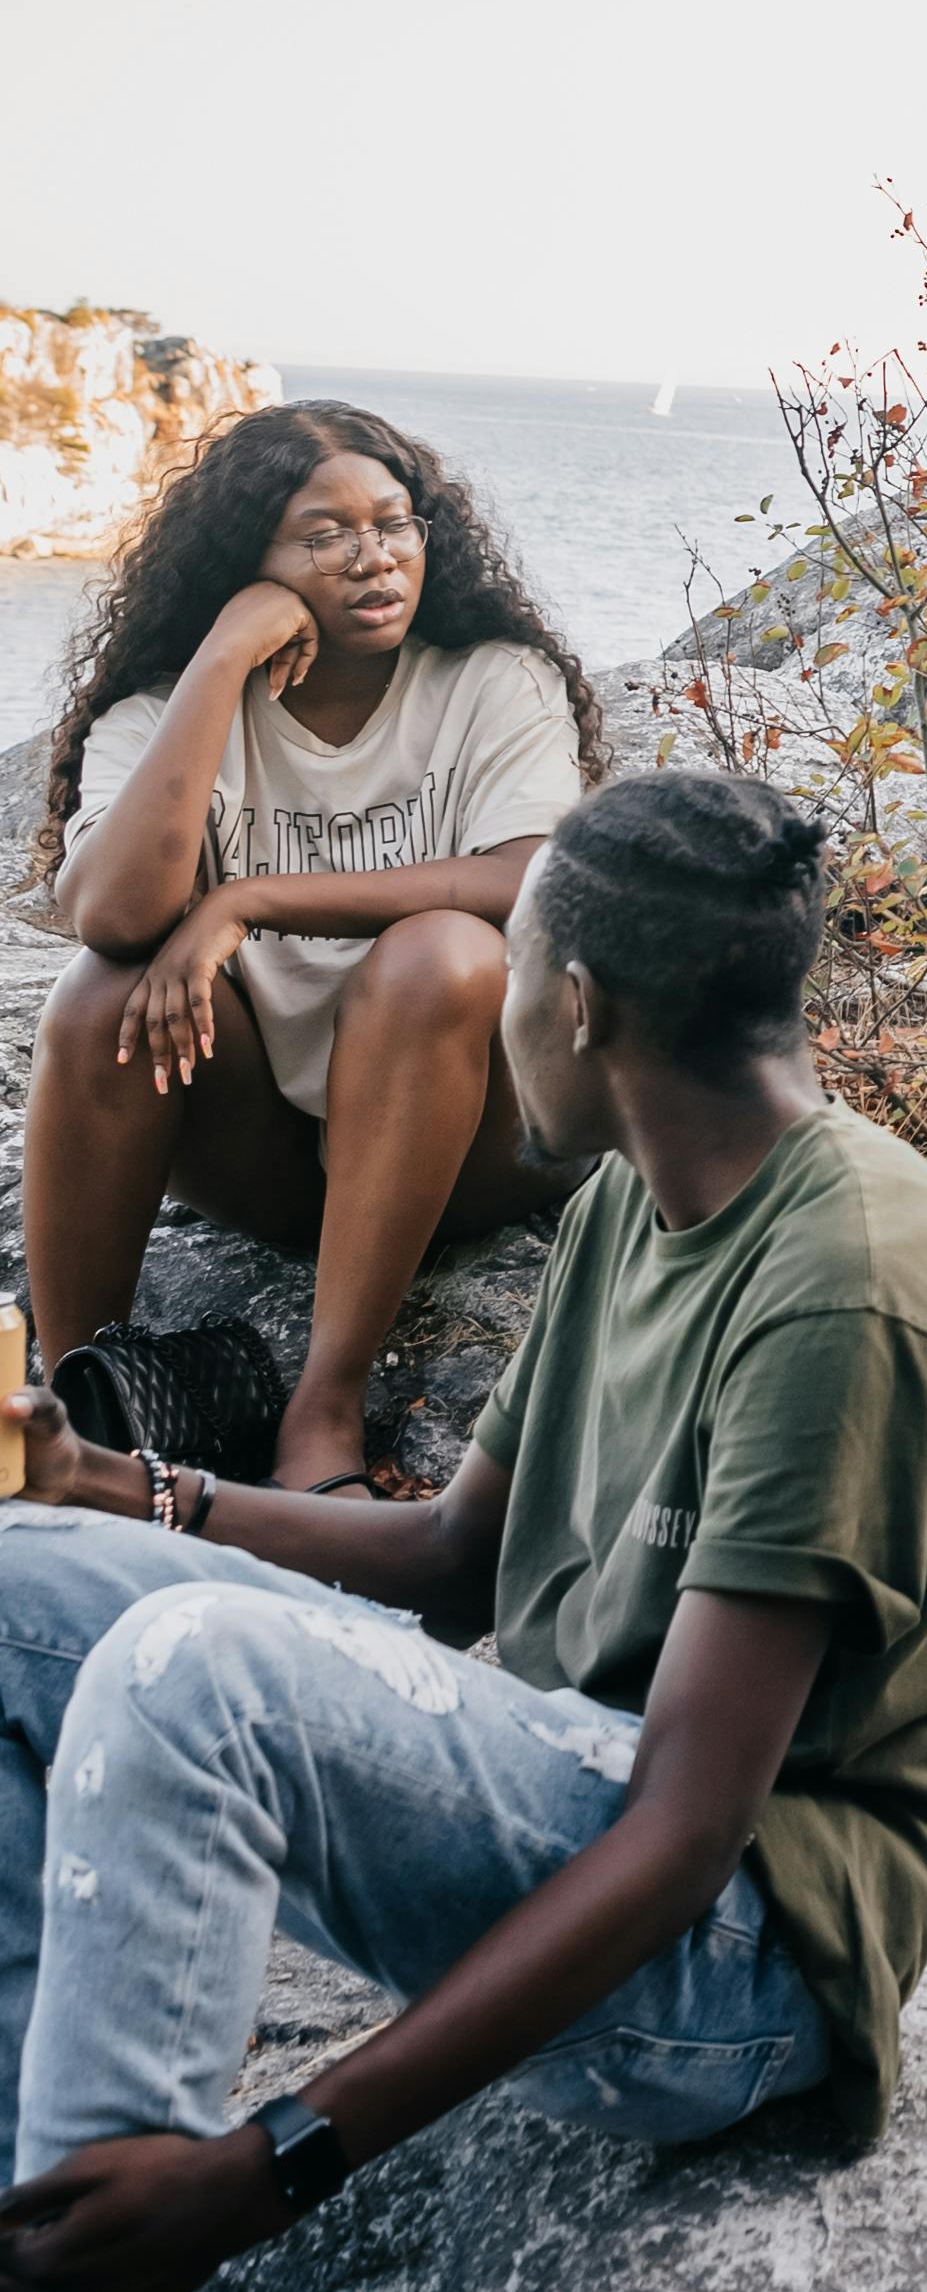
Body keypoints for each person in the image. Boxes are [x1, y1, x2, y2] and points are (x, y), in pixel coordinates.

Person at [0, 767, 927, 2292]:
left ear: (575, 1013)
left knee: (196, 1672)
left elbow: (679, 1841)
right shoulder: (638, 1197)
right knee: (29, 1592)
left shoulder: (846, 1273)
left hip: (736, 1971)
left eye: (512, 967)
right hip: (581, 1807)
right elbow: (457, 1567)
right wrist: (122, 1486)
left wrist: (268, 2159)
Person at [24, 400, 603, 1493]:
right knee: (100, 995)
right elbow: (109, 913)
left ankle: (323, 1413)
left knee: (440, 953)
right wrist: (221, 660)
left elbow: (535, 875)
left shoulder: (489, 681)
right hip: (277, 1166)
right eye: (323, 534)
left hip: (472, 1146)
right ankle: (77, 1411)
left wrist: (247, 900)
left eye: (394, 523)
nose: (373, 556)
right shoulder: (157, 714)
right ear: (249, 561)